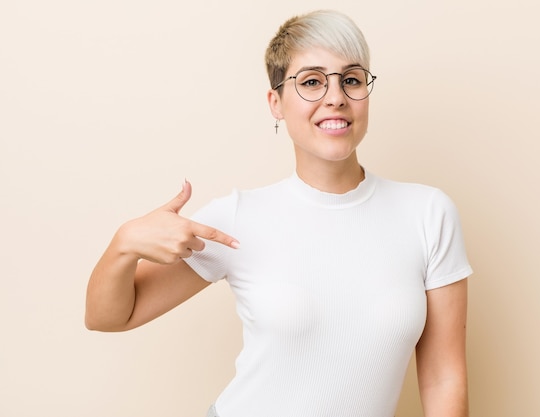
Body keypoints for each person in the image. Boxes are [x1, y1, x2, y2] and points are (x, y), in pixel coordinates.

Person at [85, 9, 472, 417]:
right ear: (276, 103)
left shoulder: (428, 214)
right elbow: (109, 317)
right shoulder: (237, 218)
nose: (336, 97)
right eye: (311, 82)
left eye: (352, 79)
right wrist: (124, 244)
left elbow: (444, 377)